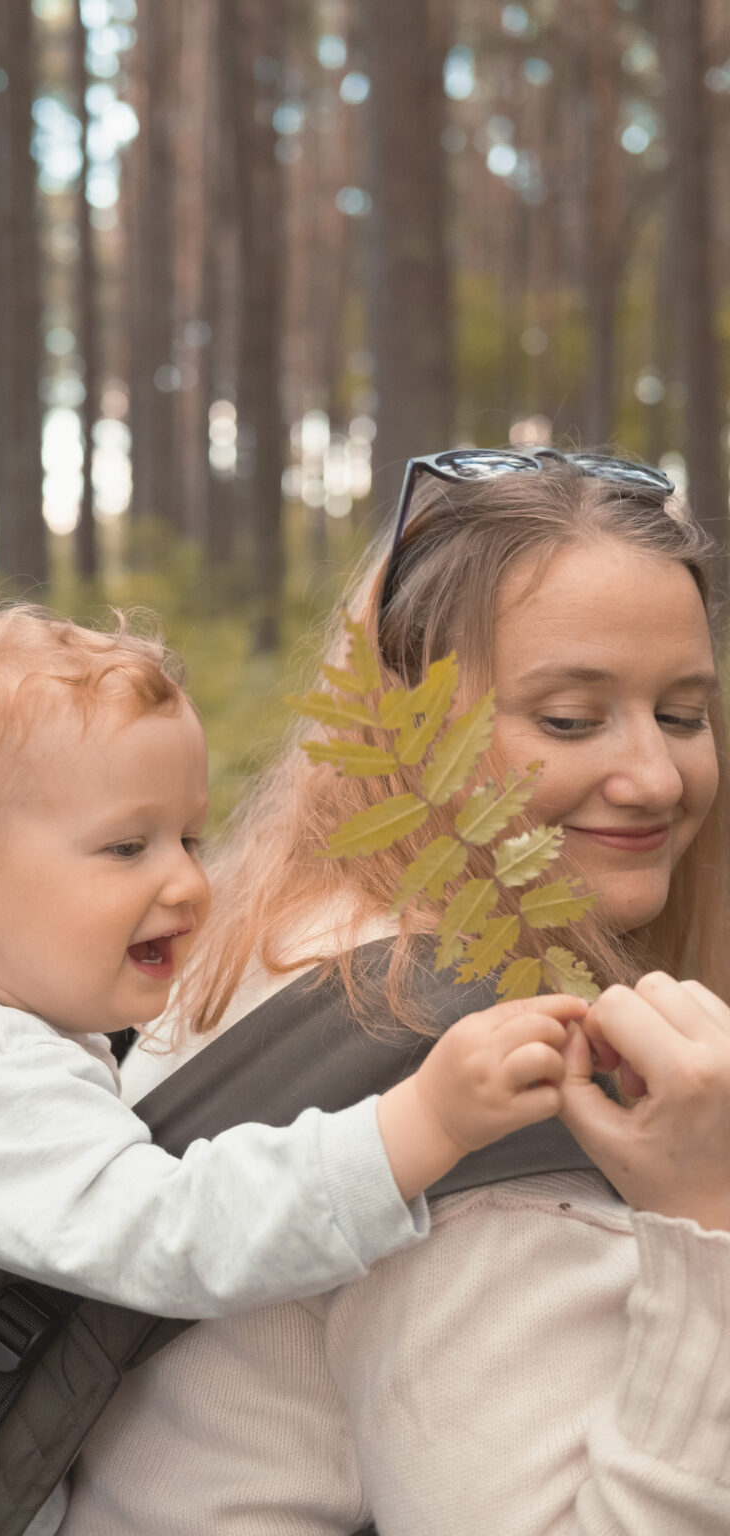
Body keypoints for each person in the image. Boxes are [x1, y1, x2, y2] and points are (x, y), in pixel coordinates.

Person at [0, 606, 585, 1533]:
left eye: (190, 840)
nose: (191, 882)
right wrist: (420, 1126)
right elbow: (173, 1234)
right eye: (128, 847)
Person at [57, 450, 730, 1536]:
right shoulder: (473, 1080)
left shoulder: (284, 935)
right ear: (402, 726)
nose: (655, 777)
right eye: (569, 719)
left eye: (685, 714)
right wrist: (707, 1217)